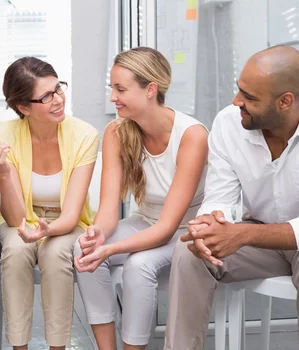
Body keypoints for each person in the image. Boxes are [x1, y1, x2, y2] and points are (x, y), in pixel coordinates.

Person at [164, 45, 299, 350]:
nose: (237, 102)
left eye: (249, 97)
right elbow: (220, 198)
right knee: (189, 254)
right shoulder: (228, 123)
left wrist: (244, 233)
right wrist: (210, 223)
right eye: (239, 91)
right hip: (260, 236)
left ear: (285, 101)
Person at [73, 47, 208, 349]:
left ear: (150, 90)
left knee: (138, 266)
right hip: (145, 222)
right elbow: (109, 209)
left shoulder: (192, 136)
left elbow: (168, 227)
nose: (113, 97)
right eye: (113, 88)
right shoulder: (116, 132)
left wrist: (111, 250)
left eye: (121, 89)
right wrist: (97, 234)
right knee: (82, 248)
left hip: (187, 231)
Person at [0, 56, 98, 349]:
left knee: (57, 251)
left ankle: (57, 347)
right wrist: (4, 170)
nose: (58, 99)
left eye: (58, 88)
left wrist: (45, 232)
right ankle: (19, 346)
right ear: (23, 108)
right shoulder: (3, 135)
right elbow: (14, 219)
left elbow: (72, 215)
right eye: (46, 96)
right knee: (15, 248)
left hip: (66, 221)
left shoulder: (85, 135)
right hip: (19, 219)